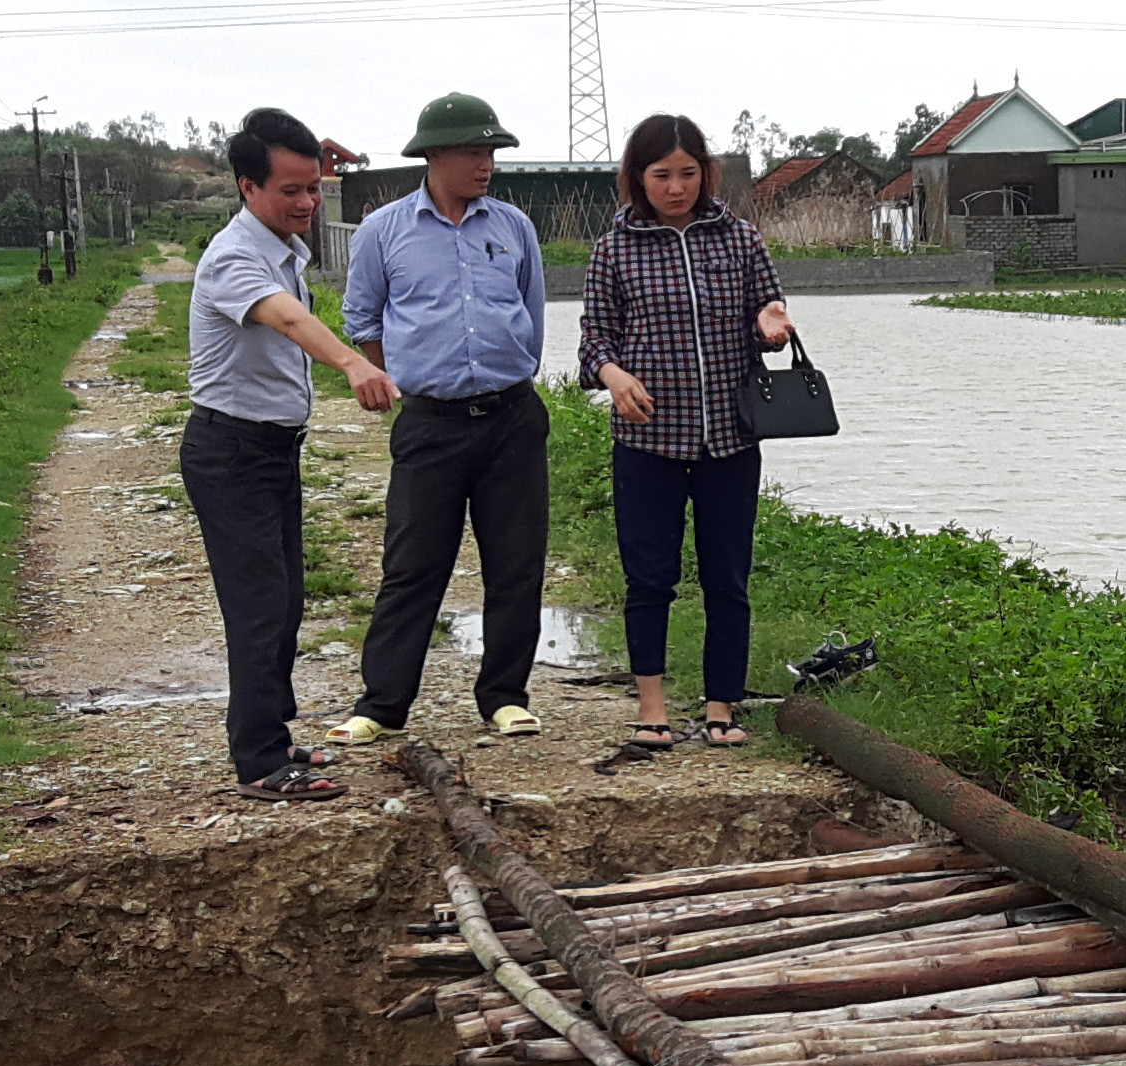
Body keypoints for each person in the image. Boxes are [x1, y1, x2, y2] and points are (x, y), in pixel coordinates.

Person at [182, 107, 398, 804]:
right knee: (257, 606)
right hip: (230, 451)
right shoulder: (236, 256)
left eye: (313, 189)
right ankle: (259, 760)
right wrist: (351, 365)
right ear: (248, 188)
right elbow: (287, 318)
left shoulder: (285, 248)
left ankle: (273, 735)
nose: (307, 203)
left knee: (284, 602)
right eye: (291, 191)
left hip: (272, 451)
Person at [333, 91, 552, 742]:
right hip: (430, 422)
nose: (485, 164)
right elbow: (363, 321)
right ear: (433, 155)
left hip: (512, 416)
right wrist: (401, 381)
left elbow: (532, 317)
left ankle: (505, 696)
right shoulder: (384, 230)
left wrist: (508, 369)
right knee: (412, 565)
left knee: (516, 564)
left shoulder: (513, 228)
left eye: (491, 152)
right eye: (472, 152)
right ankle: (380, 705)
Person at [580, 111, 793, 748]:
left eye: (688, 173)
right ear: (636, 179)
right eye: (662, 175)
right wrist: (613, 374)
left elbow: (768, 308)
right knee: (650, 579)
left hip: (731, 437)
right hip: (648, 442)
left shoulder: (741, 239)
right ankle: (651, 708)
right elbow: (594, 341)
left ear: (707, 174)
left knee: (728, 578)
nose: (676, 187)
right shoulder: (614, 248)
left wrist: (773, 322)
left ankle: (721, 706)